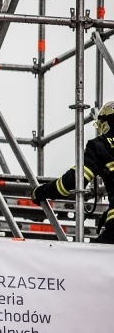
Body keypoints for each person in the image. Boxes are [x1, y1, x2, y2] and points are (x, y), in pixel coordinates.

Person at [31, 101, 114, 243]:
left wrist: (41, 192)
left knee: (95, 256)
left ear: (105, 123)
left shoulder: (101, 145)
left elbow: (73, 181)